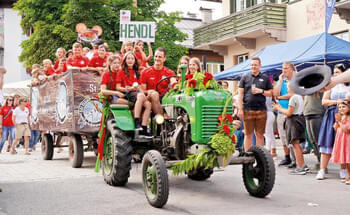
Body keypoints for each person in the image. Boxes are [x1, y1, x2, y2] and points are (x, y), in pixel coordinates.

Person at [316, 64, 349, 180]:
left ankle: (343, 169)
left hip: (345, 117)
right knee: (327, 142)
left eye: (338, 72)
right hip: (331, 115)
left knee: (344, 143)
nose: (335, 75)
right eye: (334, 72)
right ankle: (322, 170)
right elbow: (324, 101)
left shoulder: (348, 88)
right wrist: (338, 102)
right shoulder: (331, 87)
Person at [237, 57, 273, 151]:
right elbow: (240, 94)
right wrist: (240, 109)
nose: (253, 66)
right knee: (248, 134)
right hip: (247, 109)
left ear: (260, 66)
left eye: (255, 65)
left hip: (261, 110)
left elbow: (271, 93)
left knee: (260, 134)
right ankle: (247, 156)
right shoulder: (245, 77)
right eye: (252, 64)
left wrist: (261, 91)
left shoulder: (265, 78)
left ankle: (259, 157)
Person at [273, 84, 308, 175]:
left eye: (288, 86)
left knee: (295, 144)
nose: (287, 88)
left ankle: (300, 167)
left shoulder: (293, 98)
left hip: (293, 121)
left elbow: (289, 113)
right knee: (297, 144)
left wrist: (278, 108)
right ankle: (302, 165)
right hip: (299, 119)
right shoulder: (299, 97)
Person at [116, 52, 152, 137]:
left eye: (132, 58)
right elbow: (118, 87)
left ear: (135, 61)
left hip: (137, 93)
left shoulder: (136, 71)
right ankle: (136, 121)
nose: (130, 60)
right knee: (140, 96)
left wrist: (144, 95)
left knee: (148, 104)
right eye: (128, 58)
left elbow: (139, 87)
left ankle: (143, 126)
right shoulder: (121, 71)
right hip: (128, 92)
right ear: (125, 60)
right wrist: (129, 89)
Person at [273, 62, 297, 167]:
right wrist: (280, 80)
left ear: (291, 69)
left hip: (292, 111)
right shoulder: (281, 81)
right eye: (283, 68)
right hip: (280, 112)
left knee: (291, 136)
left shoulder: (295, 80)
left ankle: (295, 159)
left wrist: (280, 98)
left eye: (286, 68)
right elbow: (275, 94)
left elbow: (293, 94)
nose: (284, 70)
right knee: (282, 136)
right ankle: (287, 157)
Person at [140, 47, 176, 115]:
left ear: (164, 59)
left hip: (164, 97)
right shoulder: (146, 72)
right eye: (156, 56)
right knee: (154, 95)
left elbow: (173, 81)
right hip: (150, 97)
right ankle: (161, 119)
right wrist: (148, 91)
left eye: (160, 57)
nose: (157, 58)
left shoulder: (169, 72)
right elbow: (142, 90)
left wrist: (175, 85)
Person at [332, 99, 350, 184]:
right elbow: (336, 128)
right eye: (339, 107)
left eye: (343, 106)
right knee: (346, 160)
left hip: (348, 140)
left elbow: (346, 130)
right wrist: (337, 122)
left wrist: (339, 121)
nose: (341, 108)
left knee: (349, 159)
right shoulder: (342, 116)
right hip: (342, 140)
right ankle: (348, 175)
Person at [303, 92, 324, 163]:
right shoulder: (307, 89)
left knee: (317, 140)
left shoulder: (320, 89)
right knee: (312, 140)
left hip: (317, 114)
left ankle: (322, 162)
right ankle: (319, 160)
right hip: (307, 115)